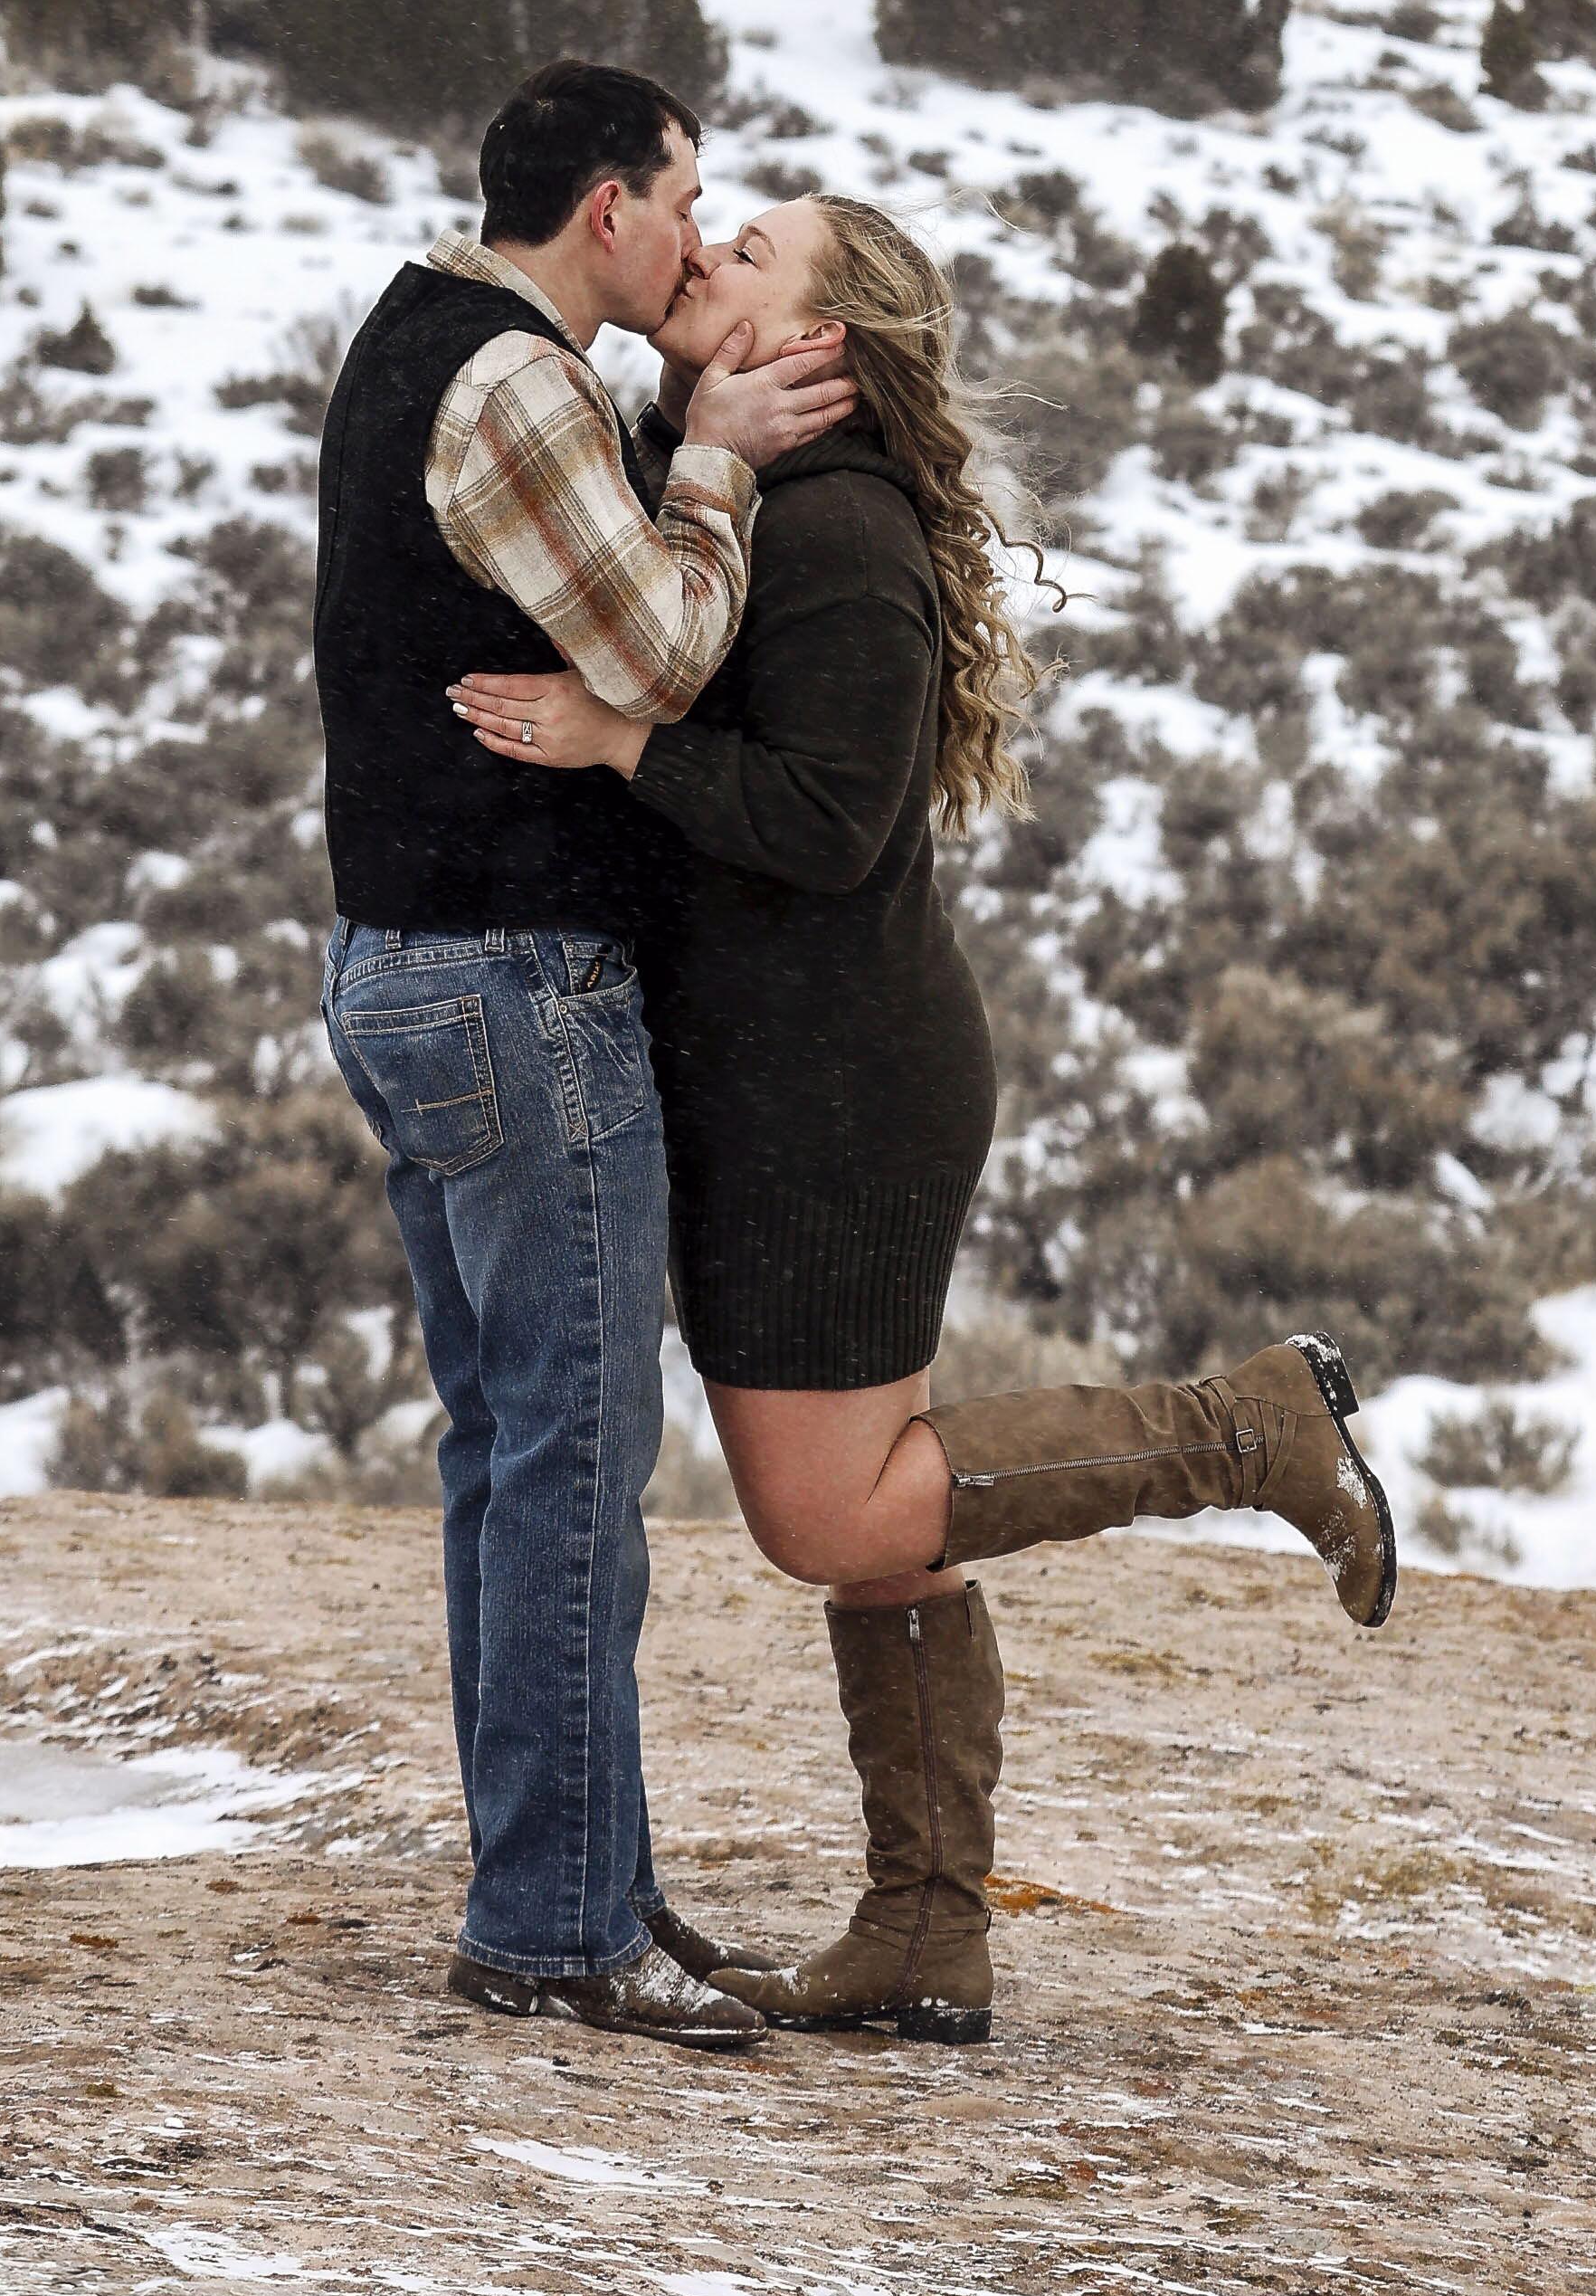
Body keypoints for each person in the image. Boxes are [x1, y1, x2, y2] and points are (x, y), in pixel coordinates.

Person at [448, 188, 1396, 2053]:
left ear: (820, 339)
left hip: (836, 1090)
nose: (703, 256)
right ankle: (924, 1931)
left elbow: (830, 822)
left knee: (832, 1511)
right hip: (777, 1072)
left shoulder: (842, 529)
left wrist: (621, 741)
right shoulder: (743, 491)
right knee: (881, 1516)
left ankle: (1250, 1429)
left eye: (749, 254)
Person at [309, 58, 853, 2050]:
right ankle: (551, 1921)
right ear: (607, 206)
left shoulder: (413, 337)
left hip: (411, 966)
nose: (698, 237)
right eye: (685, 197)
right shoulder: (519, 383)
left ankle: (570, 1881)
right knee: (572, 1460)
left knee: (510, 1454)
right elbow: (665, 655)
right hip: (515, 982)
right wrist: (712, 457)